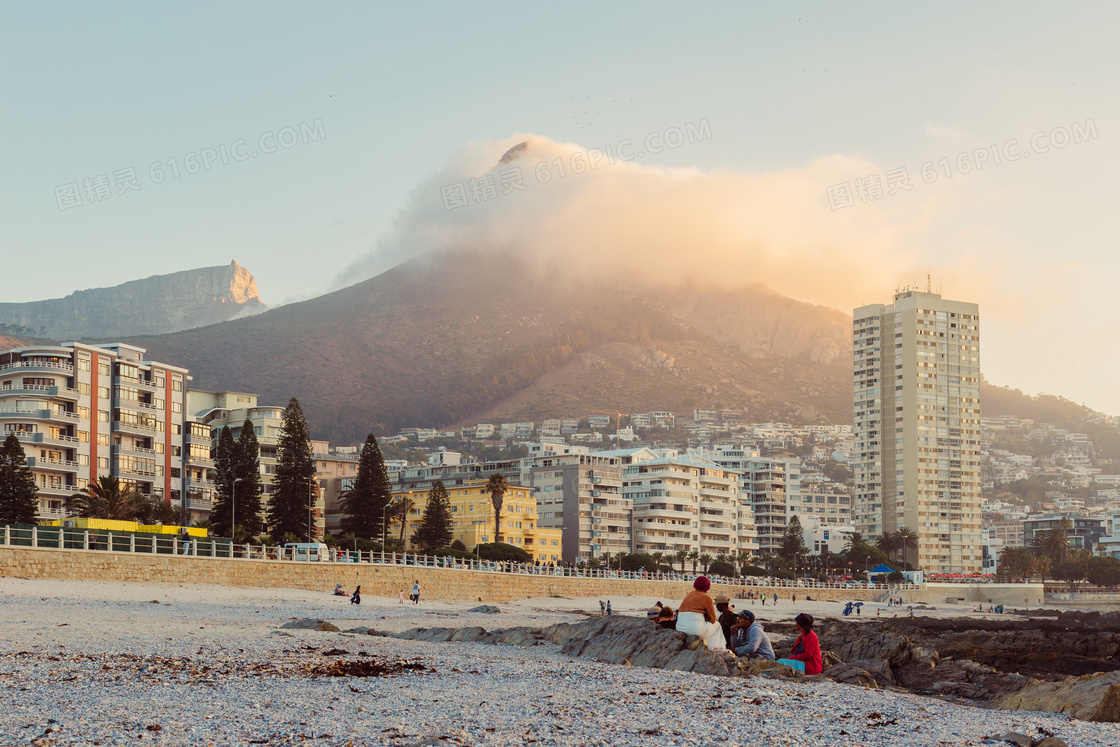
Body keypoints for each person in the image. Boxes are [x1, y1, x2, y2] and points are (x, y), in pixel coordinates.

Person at [674, 576, 727, 650]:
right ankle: (716, 648)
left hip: (680, 627)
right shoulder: (706, 598)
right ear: (708, 587)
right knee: (717, 625)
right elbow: (713, 620)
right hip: (695, 630)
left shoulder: (688, 595)